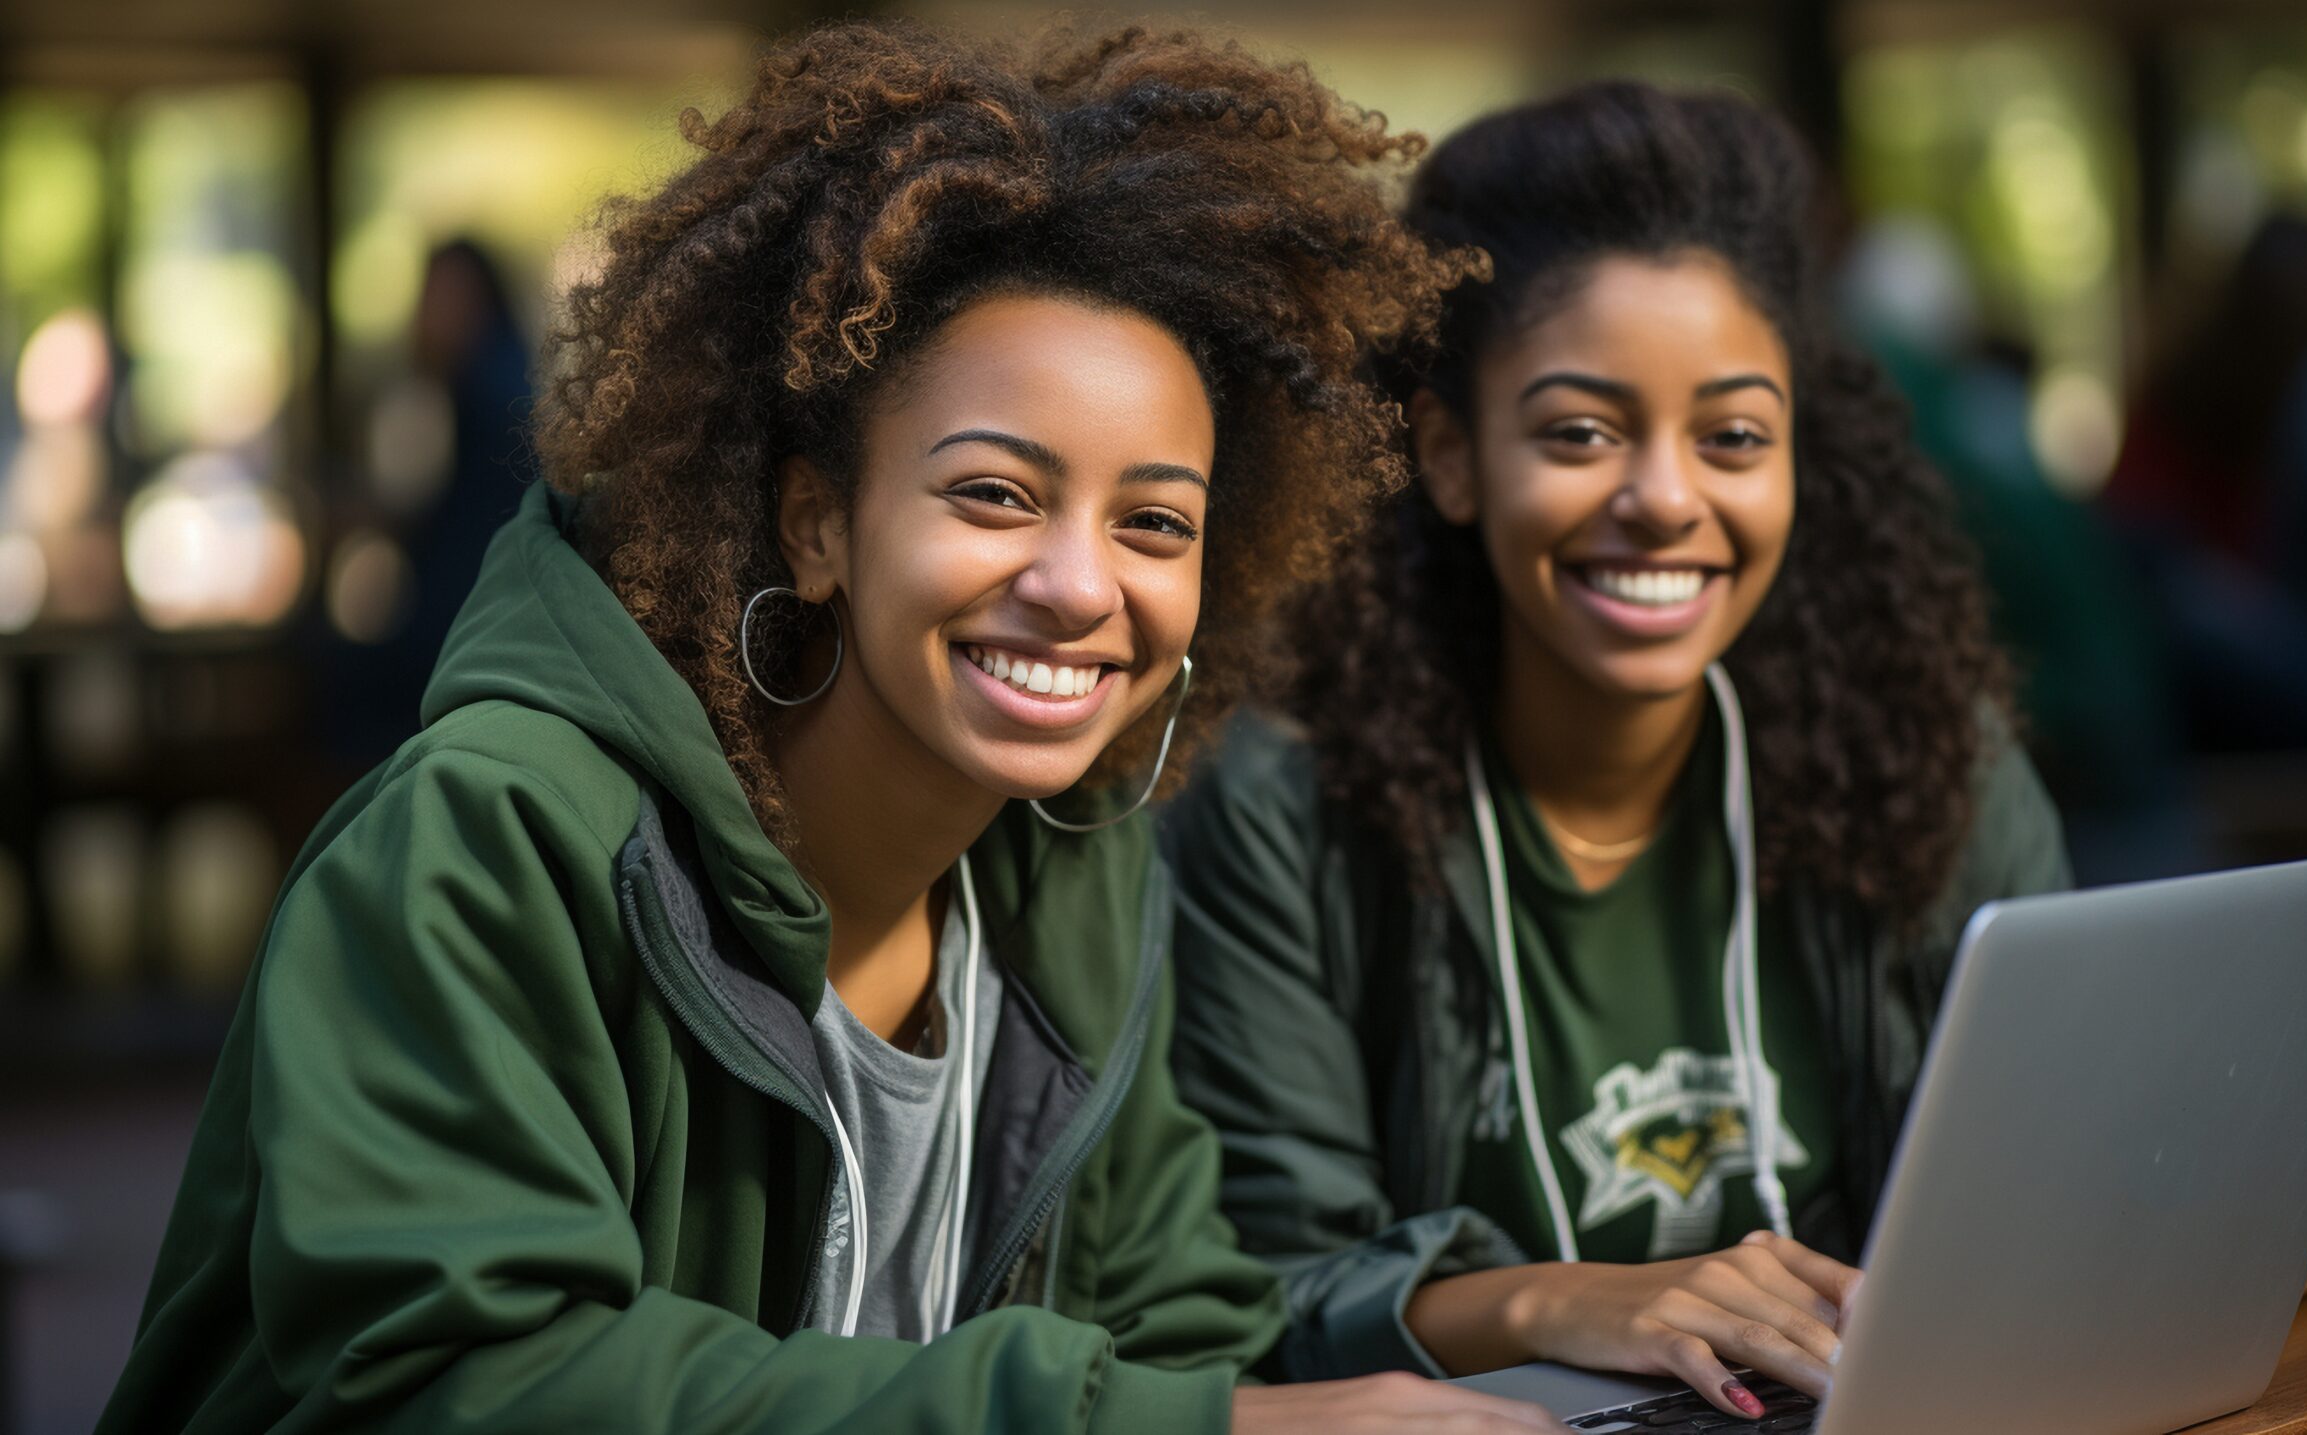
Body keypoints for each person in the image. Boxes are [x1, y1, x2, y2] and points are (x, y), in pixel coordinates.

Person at [97, 22, 1556, 1434]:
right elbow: (462, 1383)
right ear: (819, 522)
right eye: (994, 494)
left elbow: (1173, 1341)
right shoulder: (487, 842)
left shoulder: (1071, 874)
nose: (1077, 585)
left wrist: (1529, 1317)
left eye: (1154, 523)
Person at [1165, 81, 2307, 1424]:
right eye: (1581, 432)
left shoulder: (1919, 759)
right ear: (1452, 457)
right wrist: (1567, 1298)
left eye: (1734, 436)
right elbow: (1268, 1293)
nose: (1666, 498)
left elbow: (2295, 1207)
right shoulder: (1283, 800)